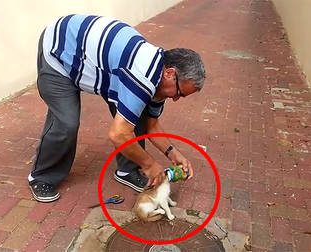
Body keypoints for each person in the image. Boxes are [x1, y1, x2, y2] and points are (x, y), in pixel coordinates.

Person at [28, 14, 206, 203]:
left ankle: (126, 171)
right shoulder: (142, 75)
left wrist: (173, 153)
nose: (176, 99)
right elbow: (118, 134)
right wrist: (149, 165)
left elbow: (150, 126)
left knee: (138, 116)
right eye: (180, 92)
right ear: (170, 73)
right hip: (61, 50)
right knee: (66, 121)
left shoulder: (161, 79)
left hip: (98, 63)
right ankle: (41, 177)